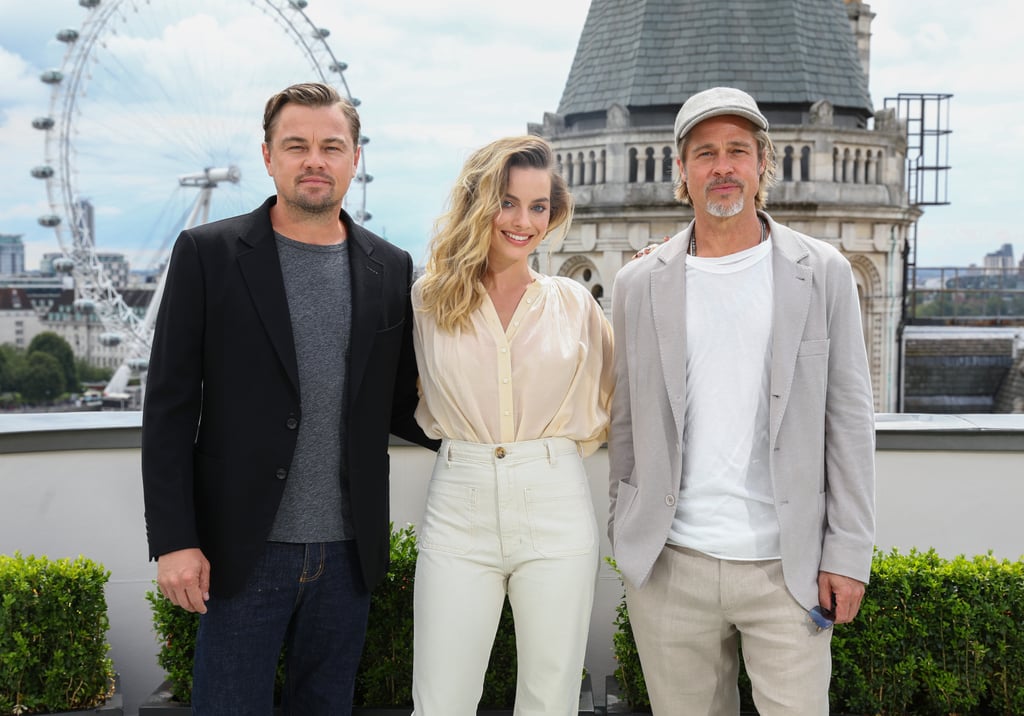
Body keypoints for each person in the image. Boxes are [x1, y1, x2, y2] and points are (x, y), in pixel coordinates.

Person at [141, 82, 436, 715]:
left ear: (355, 158)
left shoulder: (391, 268)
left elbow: (402, 402)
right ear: (269, 156)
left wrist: (503, 429)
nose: (315, 160)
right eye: (296, 145)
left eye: (331, 146)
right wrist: (174, 539)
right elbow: (167, 410)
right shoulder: (208, 255)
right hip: (241, 550)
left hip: (349, 555)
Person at [607, 86, 876, 715]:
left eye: (737, 151)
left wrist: (848, 553)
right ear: (681, 171)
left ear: (762, 164)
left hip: (788, 567)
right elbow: (626, 419)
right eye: (704, 153)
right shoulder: (637, 282)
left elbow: (850, 420)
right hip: (673, 565)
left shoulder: (825, 271)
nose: (721, 166)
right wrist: (625, 525)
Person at [410, 135, 614, 716]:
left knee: (550, 700)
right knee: (440, 700)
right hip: (459, 503)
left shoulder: (574, 303)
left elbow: (621, 396)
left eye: (539, 206)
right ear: (479, 203)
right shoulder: (427, 300)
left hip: (553, 501)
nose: (523, 221)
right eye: (508, 202)